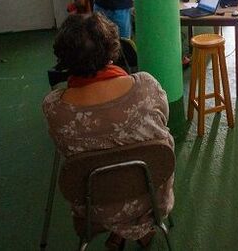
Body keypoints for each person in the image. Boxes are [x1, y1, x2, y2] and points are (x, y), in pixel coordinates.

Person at [43, 14, 174, 247]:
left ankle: (120, 231)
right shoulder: (146, 87)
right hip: (150, 198)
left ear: (64, 58)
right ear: (112, 48)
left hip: (96, 208)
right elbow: (164, 119)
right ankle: (138, 229)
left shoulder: (55, 108)